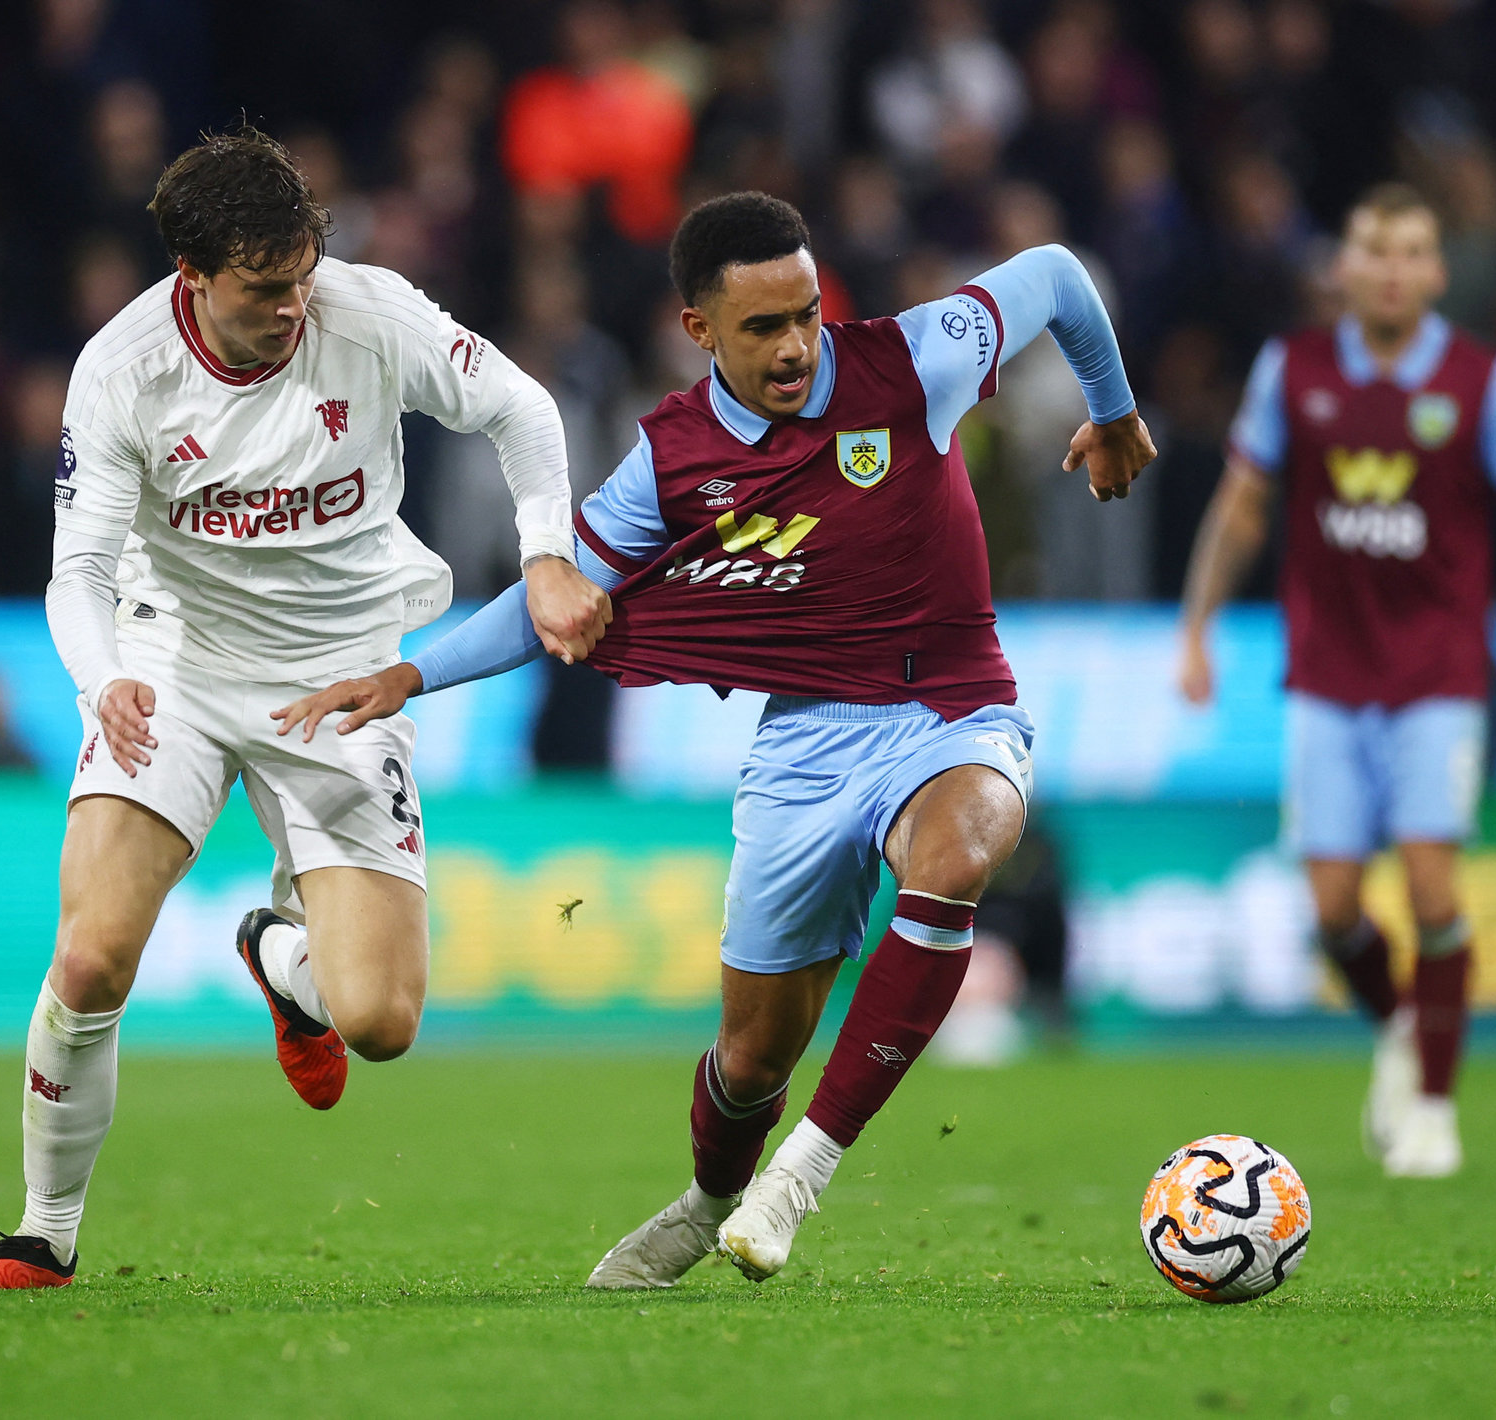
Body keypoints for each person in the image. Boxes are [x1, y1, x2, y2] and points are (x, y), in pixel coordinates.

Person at [274, 192, 1155, 1285]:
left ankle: (799, 1178)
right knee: (748, 1062)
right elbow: (557, 598)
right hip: (804, 743)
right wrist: (411, 670)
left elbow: (1062, 275)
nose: (795, 348)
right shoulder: (671, 459)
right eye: (761, 328)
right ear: (698, 331)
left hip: (951, 708)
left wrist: (1112, 411)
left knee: (962, 852)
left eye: (806, 313)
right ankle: (709, 1199)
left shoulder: (913, 360)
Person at [0, 128, 609, 1289]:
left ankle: (278, 951)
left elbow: (522, 409)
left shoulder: (370, 312)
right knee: (92, 955)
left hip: (341, 676)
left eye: (303, 276)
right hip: (178, 666)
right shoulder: (122, 369)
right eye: (265, 289)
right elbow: (78, 569)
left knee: (382, 1022)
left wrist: (545, 553)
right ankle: (43, 1232)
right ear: (192, 276)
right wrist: (106, 683)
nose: (296, 306)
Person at [1176, 183, 1496, 1179]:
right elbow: (1243, 507)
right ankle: (1404, 1029)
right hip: (1323, 673)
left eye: (1412, 251)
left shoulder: (1479, 381)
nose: (1393, 268)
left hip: (1436, 676)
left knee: (1429, 884)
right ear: (1346, 268)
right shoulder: (1294, 370)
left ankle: (1435, 1107)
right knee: (1331, 910)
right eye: (1375, 250)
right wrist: (1196, 627)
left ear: (1436, 271)